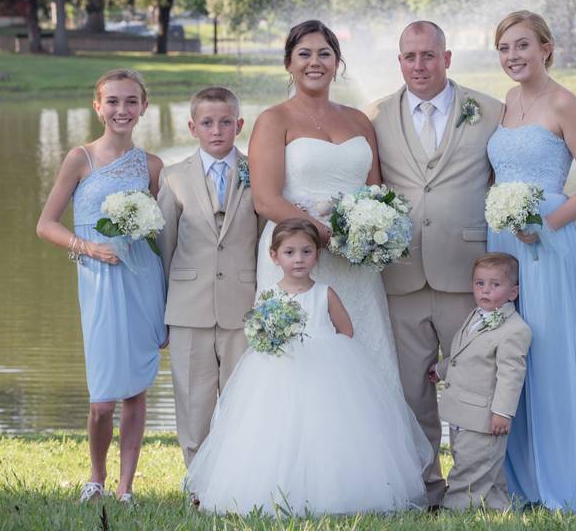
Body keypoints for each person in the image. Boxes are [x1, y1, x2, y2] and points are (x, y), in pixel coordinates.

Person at [185, 219, 432, 516]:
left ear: (317, 255)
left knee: (328, 430)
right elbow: (258, 332)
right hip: (279, 372)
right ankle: (275, 490)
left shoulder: (324, 292)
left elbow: (346, 330)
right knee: (276, 428)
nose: (299, 259)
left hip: (325, 372)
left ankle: (335, 492)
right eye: (289, 252)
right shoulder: (270, 295)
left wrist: (328, 352)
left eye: (306, 251)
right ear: (274, 256)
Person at [486, 11, 576, 510]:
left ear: (546, 47)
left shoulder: (563, 102)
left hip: (547, 240)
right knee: (510, 353)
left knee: (548, 352)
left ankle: (564, 480)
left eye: (522, 45)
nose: (513, 56)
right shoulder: (508, 101)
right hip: (502, 239)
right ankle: (520, 482)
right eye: (504, 48)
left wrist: (550, 223)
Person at [368, 20, 503, 506]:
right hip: (400, 273)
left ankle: (476, 488)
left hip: (468, 272)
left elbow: (507, 182)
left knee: (472, 386)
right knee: (412, 392)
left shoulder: (490, 111)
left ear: (447, 58)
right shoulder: (377, 115)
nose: (419, 65)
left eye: (429, 55)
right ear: (399, 61)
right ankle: (427, 486)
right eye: (410, 56)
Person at [248, 19, 403, 393]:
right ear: (289, 64)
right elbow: (265, 199)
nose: (314, 62)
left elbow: (375, 192)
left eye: (324, 54)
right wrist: (327, 237)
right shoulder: (274, 120)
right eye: (304, 54)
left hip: (356, 267)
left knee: (362, 350)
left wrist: (369, 237)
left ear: (337, 62)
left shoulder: (359, 120)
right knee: (300, 363)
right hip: (297, 257)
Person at [36, 68, 167, 504]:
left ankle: (126, 487)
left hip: (141, 281)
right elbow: (45, 225)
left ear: (144, 107)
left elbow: (160, 235)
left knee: (134, 390)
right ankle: (96, 477)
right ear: (98, 107)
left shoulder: (152, 166)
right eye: (113, 101)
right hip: (98, 281)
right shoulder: (80, 159)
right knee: (102, 399)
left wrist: (167, 303)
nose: (122, 110)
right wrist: (88, 248)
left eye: (131, 101)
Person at [156, 86, 258, 469]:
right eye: (208, 123)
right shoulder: (173, 177)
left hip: (243, 306)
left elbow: (267, 242)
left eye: (226, 123)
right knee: (193, 401)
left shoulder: (257, 171)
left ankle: (237, 477)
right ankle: (196, 481)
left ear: (239, 125)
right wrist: (163, 310)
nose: (217, 130)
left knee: (241, 399)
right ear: (192, 127)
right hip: (188, 308)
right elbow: (165, 247)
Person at [429, 253, 531, 512]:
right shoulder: (477, 315)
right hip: (462, 412)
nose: (485, 290)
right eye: (479, 283)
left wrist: (502, 412)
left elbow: (511, 375)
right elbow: (464, 355)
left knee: (471, 468)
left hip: (485, 417)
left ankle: (453, 510)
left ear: (513, 292)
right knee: (486, 470)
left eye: (495, 285)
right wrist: (441, 370)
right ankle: (499, 508)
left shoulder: (514, 330)